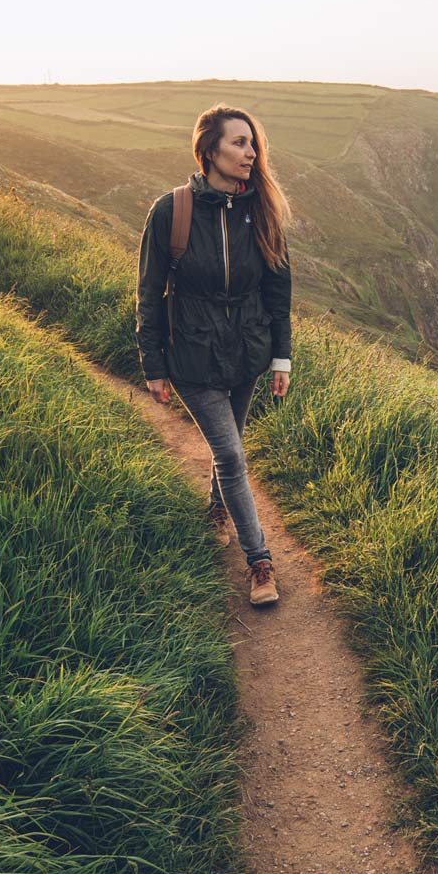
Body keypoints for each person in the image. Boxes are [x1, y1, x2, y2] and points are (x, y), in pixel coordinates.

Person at [136, 104, 293, 606]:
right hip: (193, 356)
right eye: (239, 143)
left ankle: (216, 511)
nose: (251, 153)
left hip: (247, 352)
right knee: (230, 454)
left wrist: (281, 358)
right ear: (208, 151)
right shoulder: (171, 212)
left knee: (232, 446)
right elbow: (149, 293)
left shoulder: (261, 211)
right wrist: (153, 366)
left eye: (253, 144)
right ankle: (259, 561)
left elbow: (278, 293)